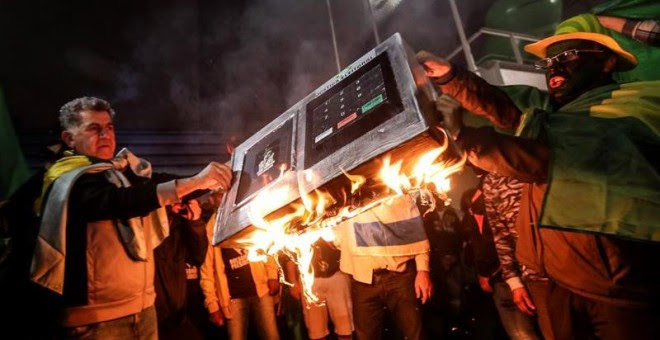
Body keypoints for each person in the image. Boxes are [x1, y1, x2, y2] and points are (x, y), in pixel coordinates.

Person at [418, 13, 660, 339]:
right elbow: (505, 105)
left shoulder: (635, 103)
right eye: (549, 62)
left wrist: (463, 139)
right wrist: (450, 77)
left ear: (606, 62)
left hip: (616, 283)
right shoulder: (554, 112)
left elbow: (551, 153)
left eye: (568, 56)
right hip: (553, 279)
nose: (554, 68)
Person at [30, 96, 232, 339]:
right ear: (69, 138)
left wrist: (225, 170)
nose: (105, 135)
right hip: (97, 321)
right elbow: (120, 201)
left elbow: (173, 183)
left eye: (109, 128)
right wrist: (194, 182)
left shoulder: (118, 172)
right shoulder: (67, 179)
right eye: (94, 129)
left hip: (144, 309)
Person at [335, 195, 433, 340]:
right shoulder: (345, 202)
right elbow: (338, 241)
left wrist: (423, 271)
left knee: (415, 334)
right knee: (366, 337)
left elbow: (415, 234)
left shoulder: (394, 192)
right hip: (363, 281)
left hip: (399, 277)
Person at [199, 214, 281, 340]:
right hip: (232, 298)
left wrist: (272, 274)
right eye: (218, 194)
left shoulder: (246, 212)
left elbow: (266, 243)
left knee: (272, 336)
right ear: (212, 198)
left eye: (225, 193)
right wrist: (212, 305)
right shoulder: (211, 228)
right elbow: (207, 269)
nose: (223, 196)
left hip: (261, 289)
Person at [154, 197, 208, 340]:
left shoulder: (180, 226)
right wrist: (166, 209)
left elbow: (199, 256)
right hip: (153, 317)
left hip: (177, 315)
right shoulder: (149, 224)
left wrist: (196, 222)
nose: (179, 203)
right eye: (174, 199)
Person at [284, 238, 354, 340]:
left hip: (336, 274)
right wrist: (293, 282)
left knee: (345, 327)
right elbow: (289, 254)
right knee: (316, 330)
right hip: (309, 279)